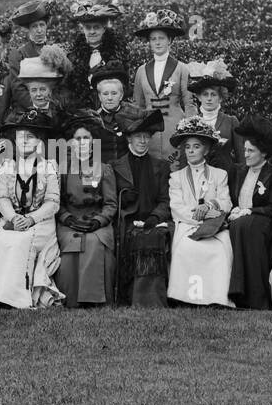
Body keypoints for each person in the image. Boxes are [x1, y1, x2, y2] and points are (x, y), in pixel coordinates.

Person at [0, 109, 65, 309]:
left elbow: (53, 202)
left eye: (30, 137)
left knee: (21, 241)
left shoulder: (49, 166)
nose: (24, 141)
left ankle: (19, 298)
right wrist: (13, 217)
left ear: (39, 142)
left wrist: (31, 219)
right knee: (3, 241)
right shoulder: (7, 165)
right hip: (12, 219)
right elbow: (1, 197)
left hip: (41, 222)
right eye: (20, 137)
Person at [166, 116, 234, 308]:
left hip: (214, 225)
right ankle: (185, 297)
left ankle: (216, 297)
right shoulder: (176, 177)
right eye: (187, 147)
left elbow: (226, 202)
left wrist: (211, 205)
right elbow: (176, 207)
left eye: (196, 146)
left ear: (206, 149)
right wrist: (199, 216)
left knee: (220, 250)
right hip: (188, 224)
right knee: (186, 249)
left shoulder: (220, 174)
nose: (191, 151)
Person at [110, 109, 172, 307]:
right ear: (129, 138)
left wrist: (154, 217)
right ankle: (127, 295)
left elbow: (165, 199)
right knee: (131, 236)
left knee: (152, 236)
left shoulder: (161, 166)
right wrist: (123, 201)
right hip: (126, 220)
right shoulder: (115, 166)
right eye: (138, 137)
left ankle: (150, 298)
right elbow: (110, 200)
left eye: (146, 137)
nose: (143, 141)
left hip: (154, 220)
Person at [56, 115, 118, 307]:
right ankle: (71, 299)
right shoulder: (61, 169)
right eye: (78, 139)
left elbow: (111, 204)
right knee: (71, 244)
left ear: (93, 143)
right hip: (70, 221)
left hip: (97, 220)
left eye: (86, 139)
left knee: (94, 242)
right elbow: (55, 201)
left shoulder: (104, 168)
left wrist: (99, 220)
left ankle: (95, 300)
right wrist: (67, 219)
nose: (82, 143)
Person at [226, 115, 272, 310]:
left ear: (263, 153)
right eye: (245, 150)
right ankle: (237, 293)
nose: (246, 154)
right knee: (240, 225)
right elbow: (230, 199)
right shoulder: (237, 171)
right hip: (238, 219)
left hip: (265, 219)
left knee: (248, 226)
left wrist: (248, 211)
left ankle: (257, 297)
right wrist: (235, 210)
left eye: (251, 151)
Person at [130, 7, 190, 160]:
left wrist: (190, 132)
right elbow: (138, 105)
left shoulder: (182, 68)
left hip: (175, 129)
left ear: (170, 40)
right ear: (149, 42)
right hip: (150, 132)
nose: (157, 42)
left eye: (161, 38)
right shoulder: (141, 71)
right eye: (153, 39)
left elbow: (189, 104)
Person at [63, 0, 125, 110]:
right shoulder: (73, 57)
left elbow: (124, 87)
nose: (92, 31)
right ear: (82, 29)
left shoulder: (117, 53)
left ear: (104, 28)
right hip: (81, 112)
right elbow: (68, 89)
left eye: (96, 27)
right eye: (88, 28)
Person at [185, 60, 241, 170]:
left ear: (220, 97)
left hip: (226, 178)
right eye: (205, 94)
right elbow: (183, 156)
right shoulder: (192, 123)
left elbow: (241, 156)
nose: (209, 98)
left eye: (213, 94)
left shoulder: (231, 121)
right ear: (199, 97)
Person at [90, 63, 147, 166]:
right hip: (103, 171)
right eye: (105, 94)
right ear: (99, 96)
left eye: (114, 93)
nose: (110, 98)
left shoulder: (135, 114)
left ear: (121, 95)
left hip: (129, 170)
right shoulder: (92, 120)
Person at [8, 45, 72, 135]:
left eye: (42, 89)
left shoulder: (62, 114)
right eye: (33, 90)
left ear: (51, 90)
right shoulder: (17, 118)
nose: (38, 94)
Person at [6, 1, 51, 112]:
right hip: (29, 111)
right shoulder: (19, 54)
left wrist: (52, 106)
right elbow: (18, 88)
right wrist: (37, 107)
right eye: (34, 26)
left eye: (42, 25)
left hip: (53, 109)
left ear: (46, 26)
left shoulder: (57, 51)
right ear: (29, 29)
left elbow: (62, 84)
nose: (39, 30)